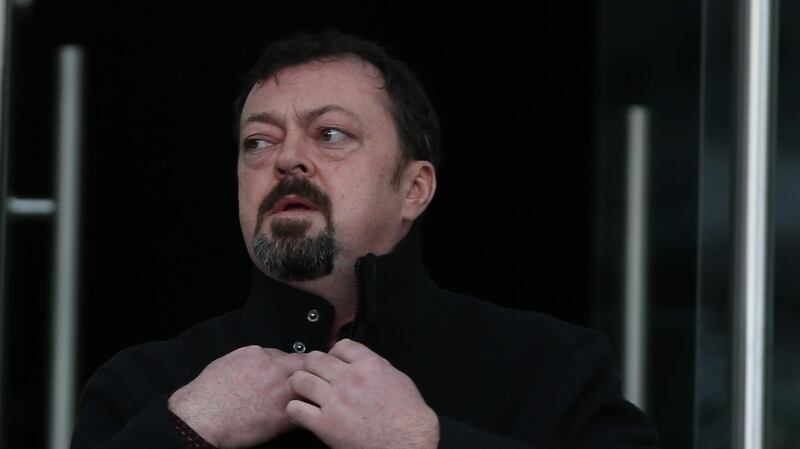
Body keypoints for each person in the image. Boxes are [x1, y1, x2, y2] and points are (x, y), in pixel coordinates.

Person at [71, 30, 657, 449]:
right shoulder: (146, 384)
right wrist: (185, 431)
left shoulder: (549, 368)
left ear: (414, 189)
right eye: (258, 142)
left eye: (330, 134)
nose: (288, 160)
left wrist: (421, 440)